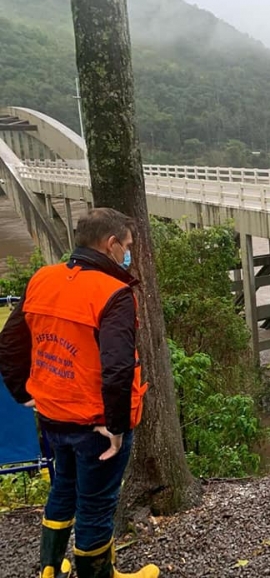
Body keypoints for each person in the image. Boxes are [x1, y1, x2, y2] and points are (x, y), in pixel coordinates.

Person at [0, 208, 159, 578]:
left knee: (62, 491)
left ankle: (49, 569)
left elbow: (9, 342)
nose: (128, 254)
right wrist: (116, 426)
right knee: (97, 505)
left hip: (52, 415)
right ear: (111, 243)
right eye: (127, 246)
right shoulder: (113, 293)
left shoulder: (43, 278)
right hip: (95, 424)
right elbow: (118, 367)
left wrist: (22, 392)